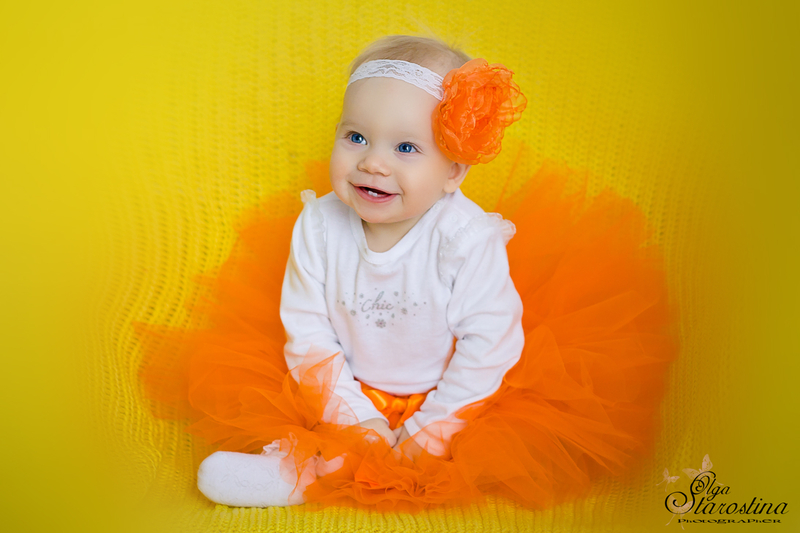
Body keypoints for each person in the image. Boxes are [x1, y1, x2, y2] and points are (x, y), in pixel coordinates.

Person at [139, 35, 675, 512]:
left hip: (452, 393)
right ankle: (301, 466)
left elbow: (488, 345)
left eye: (405, 147)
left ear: (453, 170)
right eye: (355, 137)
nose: (373, 163)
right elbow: (308, 332)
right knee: (305, 399)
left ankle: (326, 471)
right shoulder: (320, 225)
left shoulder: (465, 239)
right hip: (347, 387)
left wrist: (429, 430)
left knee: (463, 446)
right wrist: (357, 419)